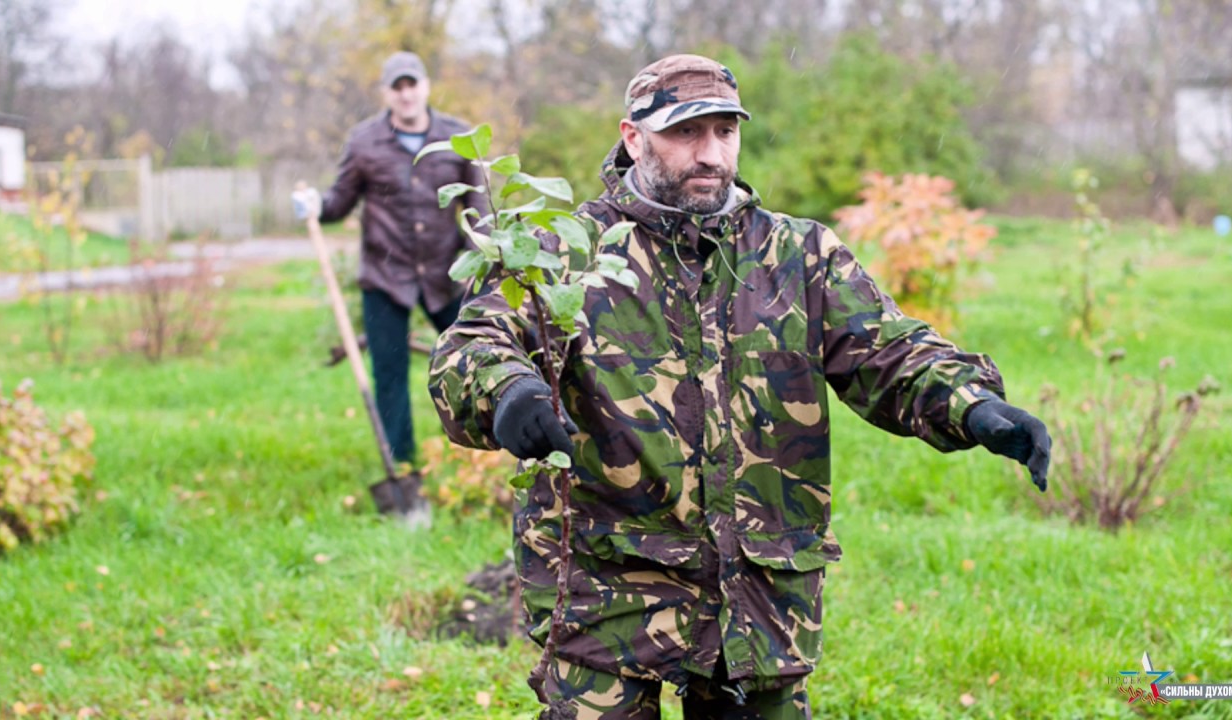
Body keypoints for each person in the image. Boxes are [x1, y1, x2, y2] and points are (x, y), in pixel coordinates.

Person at [429, 54, 1050, 719]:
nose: (711, 154)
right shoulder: (565, 251)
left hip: (757, 593)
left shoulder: (796, 255)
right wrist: (510, 393)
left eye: (725, 131)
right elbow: (471, 347)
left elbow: (889, 352)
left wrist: (973, 405)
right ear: (634, 137)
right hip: (606, 581)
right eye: (687, 132)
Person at [293, 51, 489, 473]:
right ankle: (403, 468)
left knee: (478, 360)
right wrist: (315, 204)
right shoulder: (364, 143)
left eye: (411, 84)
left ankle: (486, 458)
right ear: (386, 93)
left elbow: (480, 211)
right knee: (391, 375)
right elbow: (338, 203)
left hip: (446, 277)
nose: (405, 94)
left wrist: (481, 263)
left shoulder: (459, 138)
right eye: (396, 87)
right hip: (385, 278)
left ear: (425, 87)